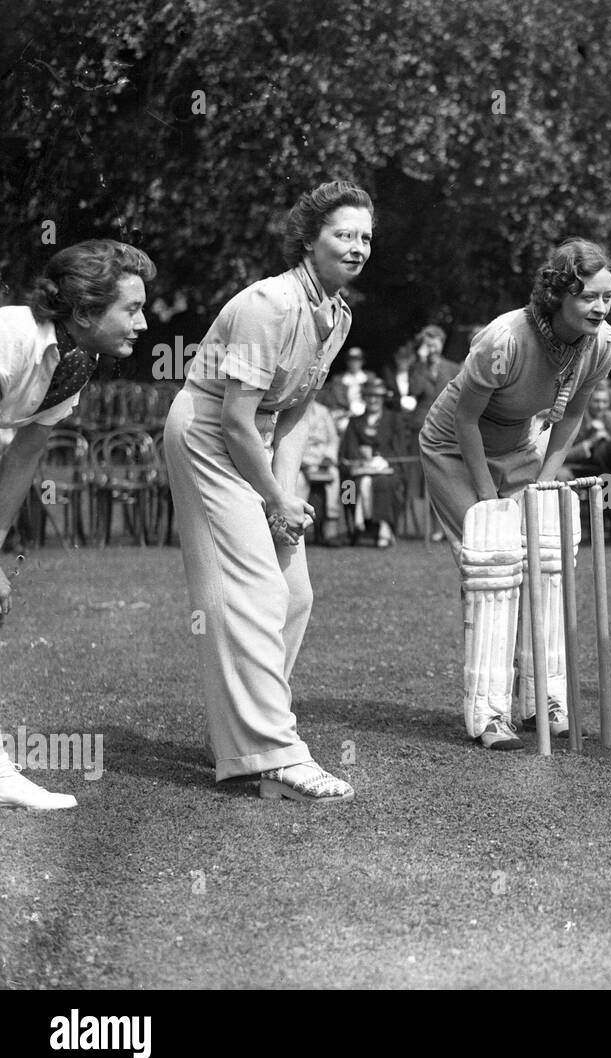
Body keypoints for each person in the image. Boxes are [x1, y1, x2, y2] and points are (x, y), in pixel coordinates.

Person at [163, 179, 373, 803]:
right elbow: (232, 417)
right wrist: (272, 497)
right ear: (309, 241)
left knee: (295, 591)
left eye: (365, 236)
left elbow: (294, 415)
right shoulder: (268, 304)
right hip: (206, 435)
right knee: (252, 588)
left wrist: (284, 499)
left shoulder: (337, 314)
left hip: (257, 442)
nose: (357, 247)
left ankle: (246, 735)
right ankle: (273, 752)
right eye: (343, 234)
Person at [419, 238, 611, 750]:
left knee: (547, 561)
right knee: (495, 560)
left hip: (520, 444)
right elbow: (464, 420)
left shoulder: (602, 344)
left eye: (608, 297)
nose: (600, 308)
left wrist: (545, 481)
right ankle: (488, 712)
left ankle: (543, 699)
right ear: (559, 295)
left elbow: (571, 414)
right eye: (589, 297)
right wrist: (489, 499)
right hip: (454, 446)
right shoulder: (503, 339)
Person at [0, 239, 154, 809]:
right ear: (85, 311)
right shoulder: (10, 338)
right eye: (131, 309)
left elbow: (26, 449)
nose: (143, 322)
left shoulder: (76, 362)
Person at [340, 375, 404, 547]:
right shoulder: (355, 422)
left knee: (383, 482)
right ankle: (356, 527)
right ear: (364, 398)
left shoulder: (394, 420)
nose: (373, 400)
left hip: (388, 469)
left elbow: (399, 449)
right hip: (359, 469)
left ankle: (384, 527)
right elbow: (348, 449)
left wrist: (381, 459)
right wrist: (361, 457)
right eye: (369, 396)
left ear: (383, 398)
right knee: (349, 486)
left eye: (377, 396)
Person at [295, 396, 344, 545]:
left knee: (335, 478)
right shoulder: (292, 408)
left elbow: (333, 439)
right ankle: (298, 525)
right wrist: (300, 462)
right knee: (298, 482)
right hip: (301, 461)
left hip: (322, 460)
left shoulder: (323, 411)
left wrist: (328, 458)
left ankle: (331, 525)